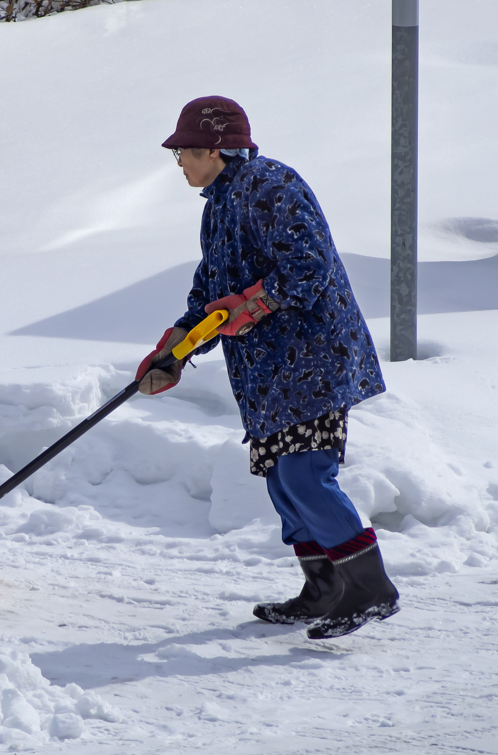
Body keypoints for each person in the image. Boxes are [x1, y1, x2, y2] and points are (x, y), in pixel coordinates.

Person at [137, 96, 399, 639]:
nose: (179, 163)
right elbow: (212, 291)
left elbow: (310, 265)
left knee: (306, 474)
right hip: (268, 370)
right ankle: (323, 589)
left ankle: (371, 589)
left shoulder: (271, 185)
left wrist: (252, 305)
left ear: (215, 148)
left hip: (312, 357)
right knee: (284, 480)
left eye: (184, 151)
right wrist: (177, 348)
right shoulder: (219, 205)